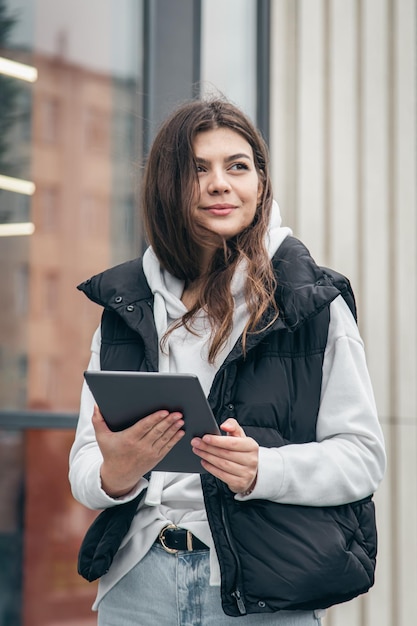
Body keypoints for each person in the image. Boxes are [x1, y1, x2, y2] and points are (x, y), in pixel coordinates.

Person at [69, 97, 386, 626]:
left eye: (237, 166)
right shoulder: (126, 308)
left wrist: (266, 468)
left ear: (260, 182)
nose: (220, 183)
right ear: (167, 186)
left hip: (258, 591)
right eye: (198, 169)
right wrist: (116, 474)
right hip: (137, 587)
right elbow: (84, 466)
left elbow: (362, 458)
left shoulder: (310, 303)